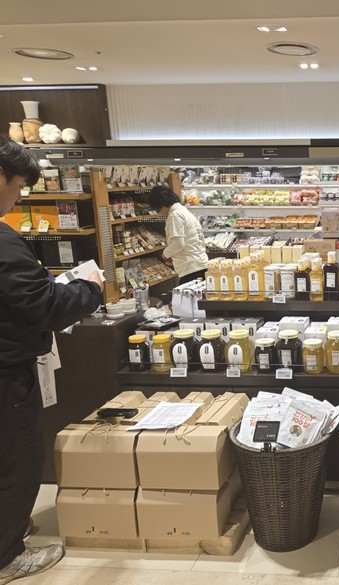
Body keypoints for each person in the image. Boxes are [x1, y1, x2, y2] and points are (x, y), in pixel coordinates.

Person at [0, 136, 103, 583]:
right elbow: (45, 307)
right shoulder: (2, 241)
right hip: (6, 374)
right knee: (15, 461)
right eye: (19, 186)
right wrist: (89, 288)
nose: (19, 197)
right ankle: (7, 556)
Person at [147, 186, 208, 283]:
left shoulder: (175, 215)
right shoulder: (183, 211)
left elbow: (178, 244)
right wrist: (174, 255)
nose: (159, 213)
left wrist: (165, 254)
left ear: (162, 204)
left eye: (158, 209)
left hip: (190, 269)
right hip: (199, 264)